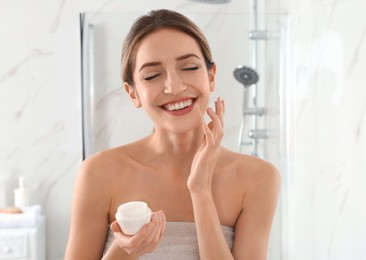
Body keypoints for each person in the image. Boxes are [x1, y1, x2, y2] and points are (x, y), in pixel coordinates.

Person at [65, 9, 280, 260]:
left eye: (189, 67)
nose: (175, 87)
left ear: (211, 76)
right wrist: (124, 251)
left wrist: (200, 192)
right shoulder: (99, 173)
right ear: (133, 93)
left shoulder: (258, 178)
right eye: (152, 75)